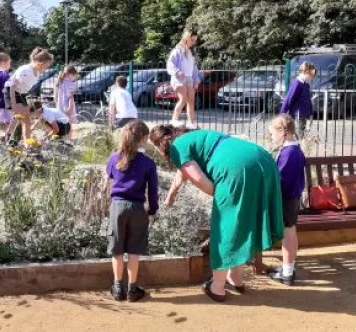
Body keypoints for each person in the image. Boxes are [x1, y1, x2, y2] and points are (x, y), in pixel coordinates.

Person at [150, 125, 284, 302]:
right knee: (245, 221)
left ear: (160, 145)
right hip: (262, 160)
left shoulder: (176, 148)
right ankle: (235, 277)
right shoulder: (192, 138)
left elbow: (199, 179)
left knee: (225, 227)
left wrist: (224, 196)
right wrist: (171, 196)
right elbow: (183, 171)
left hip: (237, 169)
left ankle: (217, 287)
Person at [106, 120, 158, 302]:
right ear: (143, 139)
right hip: (137, 208)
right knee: (134, 250)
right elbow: (152, 191)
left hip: (117, 206)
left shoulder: (113, 158)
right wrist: (152, 211)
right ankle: (132, 289)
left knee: (117, 249)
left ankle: (118, 288)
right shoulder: (148, 164)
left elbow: (110, 178)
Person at [267, 114, 306, 286]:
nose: (271, 137)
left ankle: (288, 273)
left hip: (287, 198)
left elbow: (281, 179)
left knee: (287, 232)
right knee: (290, 231)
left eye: (272, 133)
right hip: (292, 197)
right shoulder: (293, 149)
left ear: (282, 131)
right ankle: (288, 267)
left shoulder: (290, 152)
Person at [4, 47, 54, 145]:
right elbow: (12, 85)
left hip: (21, 93)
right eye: (46, 65)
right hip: (11, 91)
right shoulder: (25, 71)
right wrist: (14, 104)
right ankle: (17, 141)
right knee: (24, 117)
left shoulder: (37, 72)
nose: (47, 68)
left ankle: (12, 137)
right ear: (40, 63)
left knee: (24, 117)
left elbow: (25, 88)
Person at [166, 28, 201, 129]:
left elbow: (194, 68)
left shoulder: (191, 52)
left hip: (189, 78)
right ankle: (174, 120)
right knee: (183, 99)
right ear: (186, 38)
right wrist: (178, 72)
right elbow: (170, 63)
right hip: (179, 78)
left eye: (195, 40)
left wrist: (196, 80)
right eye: (192, 40)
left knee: (191, 100)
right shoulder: (177, 51)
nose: (194, 42)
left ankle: (191, 123)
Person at [280, 61, 316, 139]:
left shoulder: (306, 84)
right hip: (297, 115)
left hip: (304, 115)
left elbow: (308, 100)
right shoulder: (297, 84)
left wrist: (310, 114)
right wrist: (283, 113)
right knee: (299, 136)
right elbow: (289, 99)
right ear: (305, 72)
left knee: (302, 135)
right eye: (311, 75)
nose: (312, 77)